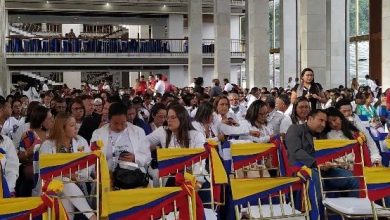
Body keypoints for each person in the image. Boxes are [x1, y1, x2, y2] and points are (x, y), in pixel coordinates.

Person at [285, 109, 359, 217]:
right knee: (316, 179)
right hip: (302, 169)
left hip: (324, 170)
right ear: (310, 119)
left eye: (325, 122)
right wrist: (317, 163)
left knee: (352, 180)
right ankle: (318, 216)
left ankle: (352, 215)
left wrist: (330, 162)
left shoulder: (322, 134)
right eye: (321, 120)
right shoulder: (295, 129)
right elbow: (296, 151)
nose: (324, 124)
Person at [39, 112, 96, 220]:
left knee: (65, 191)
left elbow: (88, 166)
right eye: (72, 125)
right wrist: (69, 176)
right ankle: (91, 215)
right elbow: (45, 170)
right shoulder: (47, 145)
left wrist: (75, 176)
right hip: (52, 186)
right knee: (64, 180)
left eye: (76, 124)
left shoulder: (81, 142)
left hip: (78, 184)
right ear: (62, 128)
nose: (76, 127)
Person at [91, 102, 150, 172]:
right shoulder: (98, 133)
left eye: (123, 123)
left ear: (126, 119)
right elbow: (93, 157)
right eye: (115, 123)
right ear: (109, 120)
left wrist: (135, 158)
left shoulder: (138, 132)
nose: (119, 127)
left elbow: (147, 156)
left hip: (132, 176)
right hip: (107, 175)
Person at [16, 105, 53, 196]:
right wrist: (30, 151)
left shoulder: (53, 134)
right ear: (41, 121)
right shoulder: (29, 135)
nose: (52, 120)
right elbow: (20, 158)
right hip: (34, 169)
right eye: (49, 119)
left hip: (52, 167)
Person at [335, 99, 381, 164]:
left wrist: (376, 158)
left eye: (349, 110)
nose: (347, 113)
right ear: (338, 113)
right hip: (344, 164)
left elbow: (370, 142)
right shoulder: (334, 128)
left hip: (362, 160)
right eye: (344, 111)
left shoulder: (356, 122)